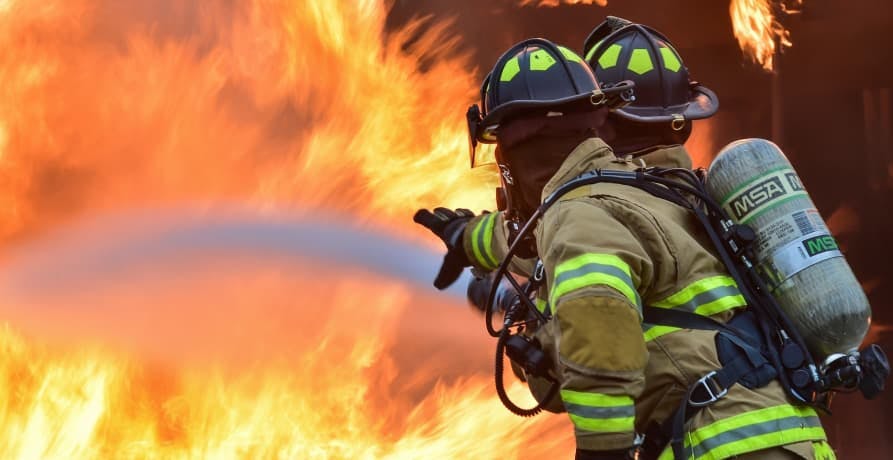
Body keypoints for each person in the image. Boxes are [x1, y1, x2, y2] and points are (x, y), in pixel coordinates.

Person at [414, 24, 834, 460]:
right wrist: (466, 238)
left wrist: (602, 453)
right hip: (791, 439)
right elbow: (526, 238)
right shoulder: (650, 193)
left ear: (516, 156)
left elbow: (600, 348)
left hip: (724, 446)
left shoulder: (580, 215)